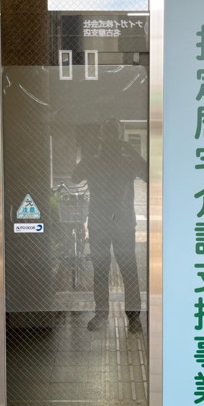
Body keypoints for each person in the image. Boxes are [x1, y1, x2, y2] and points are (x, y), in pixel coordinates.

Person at [72, 119, 147, 332]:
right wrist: (129, 150)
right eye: (110, 133)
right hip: (118, 222)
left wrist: (94, 152)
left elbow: (75, 176)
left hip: (105, 221)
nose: (111, 138)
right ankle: (131, 318)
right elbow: (75, 177)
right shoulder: (121, 159)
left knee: (105, 269)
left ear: (102, 135)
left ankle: (105, 315)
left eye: (112, 133)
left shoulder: (110, 159)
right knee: (124, 269)